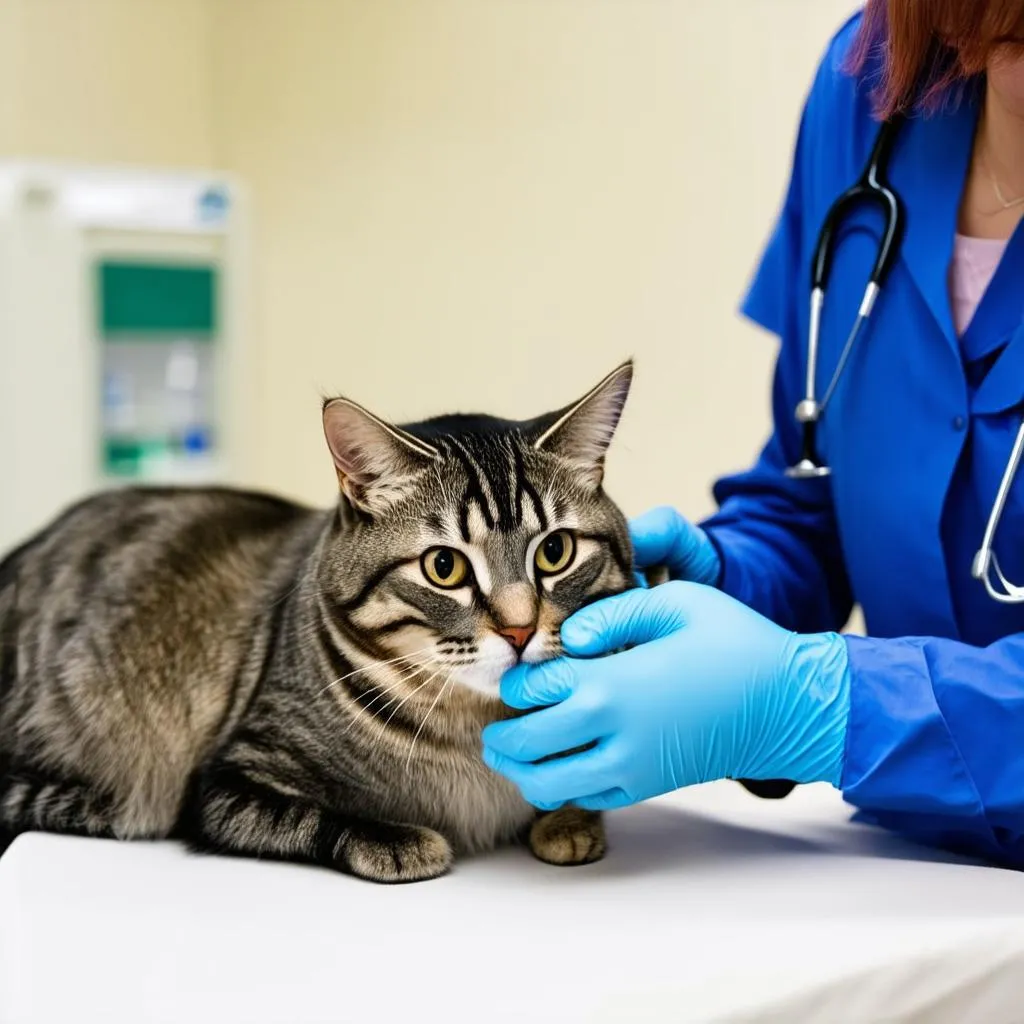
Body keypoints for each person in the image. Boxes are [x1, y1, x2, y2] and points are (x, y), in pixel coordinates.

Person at [481, 0, 1024, 870]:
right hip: (911, 877)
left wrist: (823, 708)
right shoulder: (875, 76)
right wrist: (729, 583)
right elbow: (817, 482)